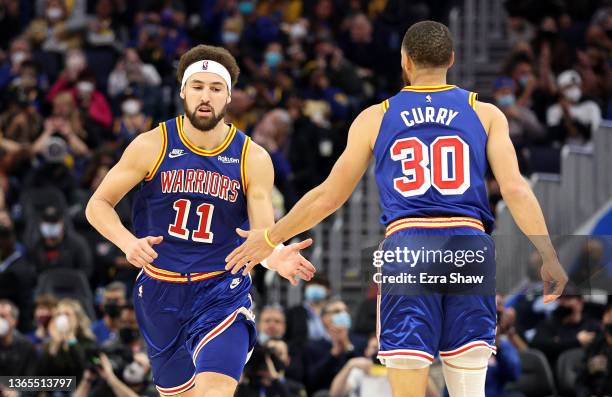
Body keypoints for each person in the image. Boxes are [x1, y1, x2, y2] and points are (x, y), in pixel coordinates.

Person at [226, 21, 568, 397]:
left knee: (407, 384)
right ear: (451, 59)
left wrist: (271, 235)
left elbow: (328, 196)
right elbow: (516, 190)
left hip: (409, 244)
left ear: (405, 61)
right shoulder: (485, 113)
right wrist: (548, 255)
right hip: (468, 243)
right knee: (469, 388)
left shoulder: (377, 116)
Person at [86, 44, 316, 397]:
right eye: (197, 87)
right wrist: (127, 241)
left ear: (229, 96)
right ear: (182, 91)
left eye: (215, 88)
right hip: (160, 294)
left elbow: (260, 233)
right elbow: (98, 204)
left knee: (215, 392)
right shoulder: (152, 144)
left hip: (220, 292)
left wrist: (275, 253)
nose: (205, 96)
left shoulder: (251, 157)